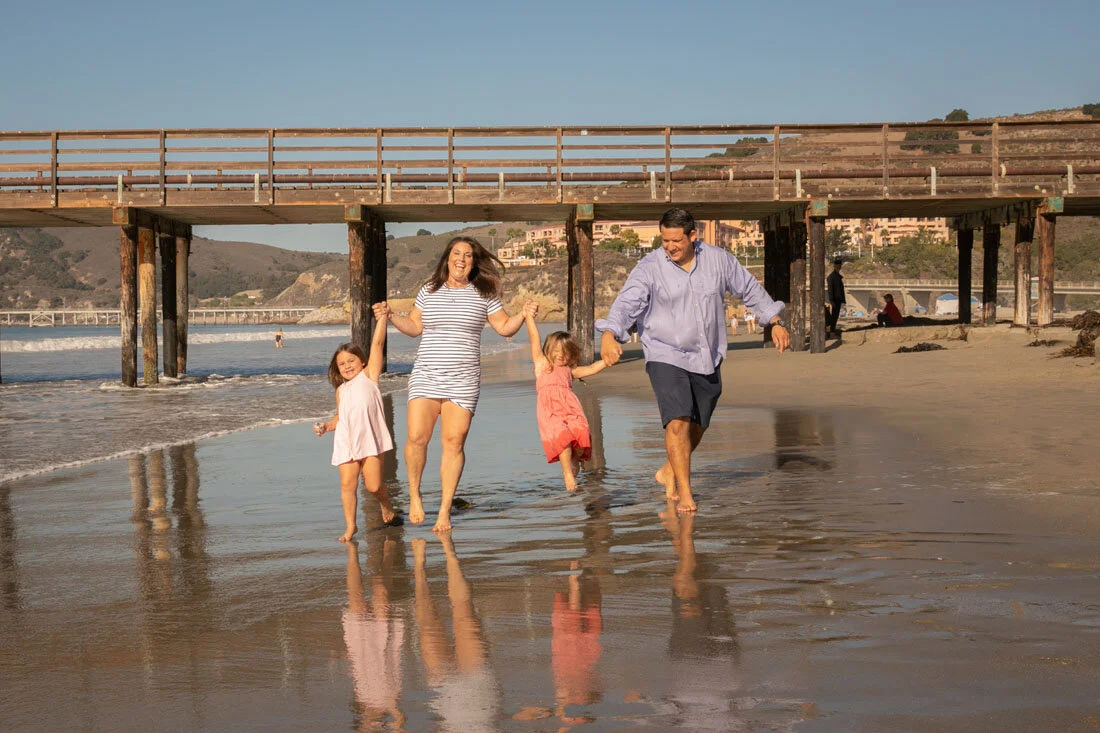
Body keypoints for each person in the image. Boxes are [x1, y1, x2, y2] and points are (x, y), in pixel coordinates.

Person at [597, 208, 789, 514]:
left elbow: (748, 288)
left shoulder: (719, 260)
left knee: (698, 424)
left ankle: (668, 470)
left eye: (676, 240)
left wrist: (774, 320)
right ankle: (686, 493)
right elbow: (627, 302)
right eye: (665, 240)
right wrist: (610, 332)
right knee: (678, 421)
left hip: (707, 354)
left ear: (692, 236)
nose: (670, 246)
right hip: (664, 352)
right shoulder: (649, 268)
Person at [378, 236, 525, 532]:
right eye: (457, 253)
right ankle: (415, 496)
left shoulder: (484, 293)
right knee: (417, 438)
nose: (462, 259)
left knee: (453, 443)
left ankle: (444, 510)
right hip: (427, 374)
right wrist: (392, 315)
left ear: (474, 262)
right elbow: (415, 327)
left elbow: (504, 326)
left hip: (464, 378)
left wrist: (524, 314)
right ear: (447, 258)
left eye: (468, 255)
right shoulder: (429, 290)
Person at [314, 311, 397, 542]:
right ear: (337, 369)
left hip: (369, 439)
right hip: (346, 441)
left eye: (351, 360)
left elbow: (378, 343)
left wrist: (383, 319)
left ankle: (385, 504)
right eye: (341, 363)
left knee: (373, 485)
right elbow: (340, 417)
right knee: (347, 486)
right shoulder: (340, 391)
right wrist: (326, 426)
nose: (347, 366)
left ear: (362, 361)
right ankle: (351, 527)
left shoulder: (370, 376)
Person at [524, 302, 610, 491]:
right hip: (549, 409)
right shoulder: (541, 364)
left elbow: (590, 369)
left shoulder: (570, 370)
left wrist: (606, 361)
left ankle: (575, 461)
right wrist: (528, 317)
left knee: (580, 432)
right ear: (549, 350)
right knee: (562, 436)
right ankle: (567, 474)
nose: (561, 356)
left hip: (570, 405)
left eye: (565, 353)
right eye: (556, 352)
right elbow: (534, 338)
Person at [827, 257, 846, 336]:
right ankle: (831, 330)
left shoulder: (837, 276)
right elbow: (830, 289)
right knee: (834, 315)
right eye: (838, 265)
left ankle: (832, 330)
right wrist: (831, 300)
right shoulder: (832, 277)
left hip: (838, 298)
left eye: (840, 265)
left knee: (836, 315)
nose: (839, 267)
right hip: (835, 299)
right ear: (835, 266)